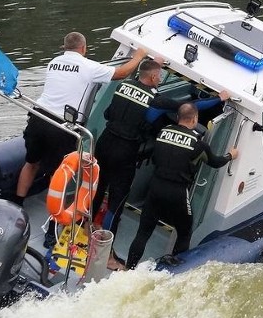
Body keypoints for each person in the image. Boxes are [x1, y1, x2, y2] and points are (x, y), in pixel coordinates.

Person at [11, 31, 148, 248]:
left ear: (64, 47)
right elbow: (121, 73)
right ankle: (54, 229)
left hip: (38, 118)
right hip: (62, 127)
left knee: (32, 163)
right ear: (84, 49)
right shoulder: (88, 66)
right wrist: (139, 56)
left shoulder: (54, 62)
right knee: (63, 177)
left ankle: (16, 206)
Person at [93, 60, 230, 266]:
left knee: (97, 188)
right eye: (159, 76)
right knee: (116, 202)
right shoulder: (155, 100)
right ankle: (106, 253)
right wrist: (220, 98)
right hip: (125, 152)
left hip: (104, 143)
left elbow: (107, 113)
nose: (160, 79)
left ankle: (82, 230)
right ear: (154, 77)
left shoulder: (123, 86)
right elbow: (190, 107)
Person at [124, 103, 238, 270]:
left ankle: (129, 268)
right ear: (195, 119)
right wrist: (230, 155)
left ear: (178, 117)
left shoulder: (164, 132)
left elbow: (155, 157)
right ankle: (173, 269)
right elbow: (214, 162)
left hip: (155, 187)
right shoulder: (199, 145)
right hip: (177, 192)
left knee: (143, 232)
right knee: (184, 232)